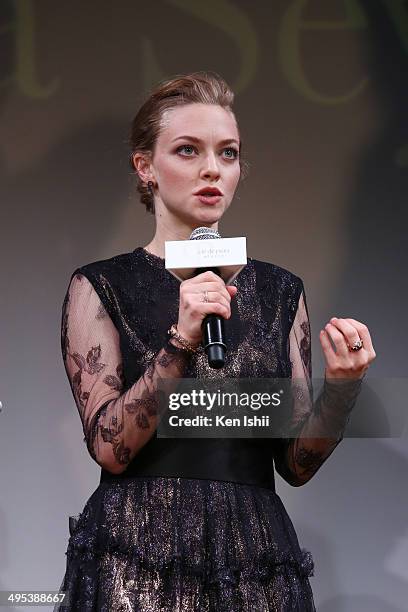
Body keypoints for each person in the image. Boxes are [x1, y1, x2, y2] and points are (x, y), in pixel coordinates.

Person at [55, 71, 376, 611]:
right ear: (146, 167)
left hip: (253, 554)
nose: (212, 170)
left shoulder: (277, 290)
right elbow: (111, 449)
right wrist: (180, 340)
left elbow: (296, 464)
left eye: (228, 154)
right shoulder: (102, 285)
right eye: (188, 150)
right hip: (139, 552)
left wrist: (342, 388)